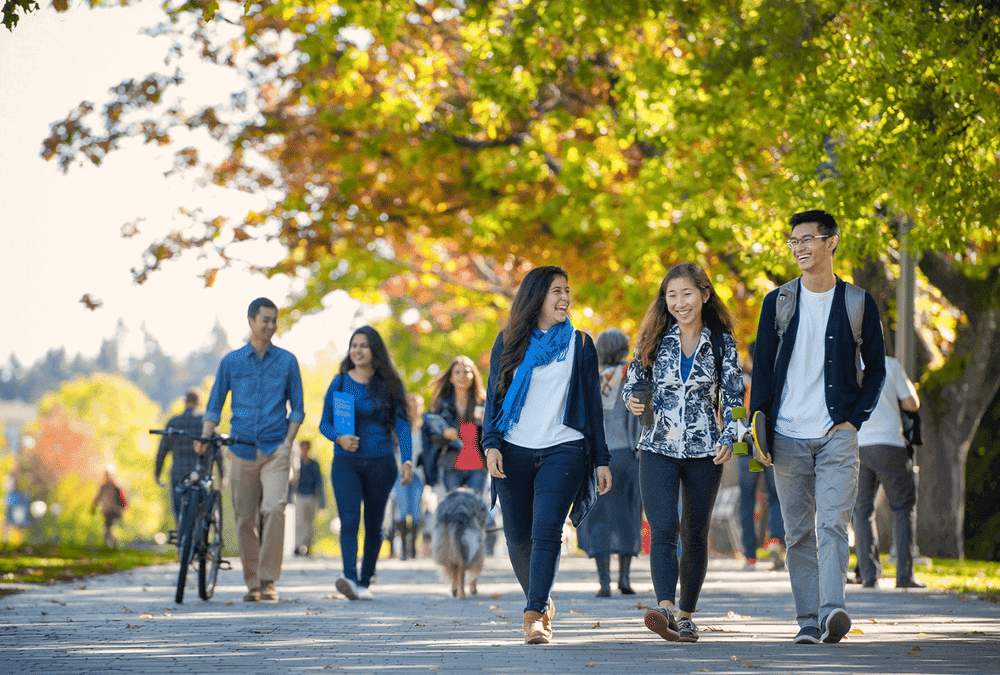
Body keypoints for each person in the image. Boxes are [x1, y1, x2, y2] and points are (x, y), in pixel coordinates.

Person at [750, 210, 886, 644]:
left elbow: (877, 370)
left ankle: (831, 612)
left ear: (832, 241)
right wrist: (759, 432)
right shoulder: (778, 302)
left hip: (835, 435)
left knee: (832, 524)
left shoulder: (858, 302)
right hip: (786, 436)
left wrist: (853, 420)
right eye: (794, 241)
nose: (800, 248)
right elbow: (763, 371)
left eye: (808, 239)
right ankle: (808, 620)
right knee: (797, 533)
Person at [483, 265, 613, 645]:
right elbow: (494, 395)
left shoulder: (580, 344)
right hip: (514, 448)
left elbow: (593, 406)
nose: (565, 298)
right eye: (557, 291)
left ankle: (534, 616)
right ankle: (540, 598)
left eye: (567, 291)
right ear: (537, 297)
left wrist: (601, 459)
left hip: (564, 448)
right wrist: (490, 443)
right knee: (517, 536)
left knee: (547, 531)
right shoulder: (509, 341)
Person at [622, 262, 743, 643]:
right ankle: (665, 609)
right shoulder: (653, 338)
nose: (679, 303)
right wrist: (632, 400)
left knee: (694, 533)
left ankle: (686, 616)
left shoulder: (721, 343)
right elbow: (632, 382)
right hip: (657, 446)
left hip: (705, 450)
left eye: (687, 294)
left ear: (704, 295)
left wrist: (730, 437)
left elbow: (735, 398)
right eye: (671, 295)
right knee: (663, 529)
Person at [199, 297, 305, 602]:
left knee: (274, 508)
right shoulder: (231, 362)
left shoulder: (287, 361)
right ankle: (253, 583)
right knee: (245, 519)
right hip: (241, 449)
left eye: (274, 320)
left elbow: (297, 409)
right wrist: (204, 437)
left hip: (275, 449)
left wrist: (287, 443)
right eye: (265, 320)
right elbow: (214, 405)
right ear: (251, 321)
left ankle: (268, 579)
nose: (271, 326)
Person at [321, 325, 413, 601]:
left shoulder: (390, 384)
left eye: (363, 345)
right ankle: (349, 578)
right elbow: (324, 423)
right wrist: (339, 438)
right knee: (349, 521)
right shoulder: (339, 383)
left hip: (381, 463)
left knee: (374, 525)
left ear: (374, 350)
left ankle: (364, 581)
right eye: (354, 345)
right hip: (346, 463)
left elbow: (402, 424)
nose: (357, 350)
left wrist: (407, 459)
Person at [577, 328, 643, 597]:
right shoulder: (632, 377)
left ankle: (603, 581)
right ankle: (624, 578)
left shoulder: (588, 377)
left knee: (599, 518)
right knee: (628, 515)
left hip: (595, 458)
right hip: (627, 454)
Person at [853, 355, 924, 589]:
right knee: (903, 507)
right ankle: (904, 575)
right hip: (890, 444)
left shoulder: (848, 365)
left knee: (862, 510)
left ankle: (868, 575)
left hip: (858, 445)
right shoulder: (890, 365)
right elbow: (911, 403)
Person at [736, 346, 785, 572]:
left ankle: (750, 556)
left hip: (747, 450)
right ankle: (775, 540)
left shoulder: (743, 382)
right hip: (768, 449)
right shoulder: (775, 379)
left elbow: (736, 416)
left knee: (747, 500)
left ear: (749, 358)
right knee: (775, 496)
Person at [155, 391, 220, 526]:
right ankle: (198, 533)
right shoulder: (205, 423)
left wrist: (157, 472)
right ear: (199, 403)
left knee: (180, 510)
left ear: (185, 402)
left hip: (179, 474)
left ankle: (182, 534)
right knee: (201, 511)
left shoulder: (174, 422)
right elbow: (217, 450)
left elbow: (162, 450)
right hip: (201, 474)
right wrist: (222, 474)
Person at [429, 355, 488, 492]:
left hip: (478, 468)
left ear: (473, 376)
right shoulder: (442, 405)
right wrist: (444, 435)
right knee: (453, 504)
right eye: (457, 372)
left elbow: (491, 434)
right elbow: (433, 438)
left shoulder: (482, 403)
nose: (462, 376)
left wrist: (487, 423)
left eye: (467, 371)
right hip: (451, 468)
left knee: (475, 505)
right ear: (451, 378)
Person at [393, 393, 429, 560]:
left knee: (416, 509)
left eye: (416, 406)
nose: (413, 409)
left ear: (421, 408)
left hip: (418, 474)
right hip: (400, 472)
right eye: (410, 406)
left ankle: (413, 546)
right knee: (402, 508)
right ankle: (403, 547)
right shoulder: (399, 427)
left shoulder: (425, 429)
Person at [293, 439, 325, 556]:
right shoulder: (297, 464)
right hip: (300, 495)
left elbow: (319, 482)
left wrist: (321, 500)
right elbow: (292, 480)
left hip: (311, 496)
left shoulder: (314, 464)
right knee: (299, 521)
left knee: (309, 522)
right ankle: (298, 545)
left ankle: (307, 545)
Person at [92, 466, 127, 548]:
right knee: (108, 528)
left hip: (114, 511)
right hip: (106, 511)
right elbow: (97, 498)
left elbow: (122, 500)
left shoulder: (116, 487)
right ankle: (112, 544)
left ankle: (112, 544)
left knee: (109, 528)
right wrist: (93, 508)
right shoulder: (103, 487)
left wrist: (122, 509)